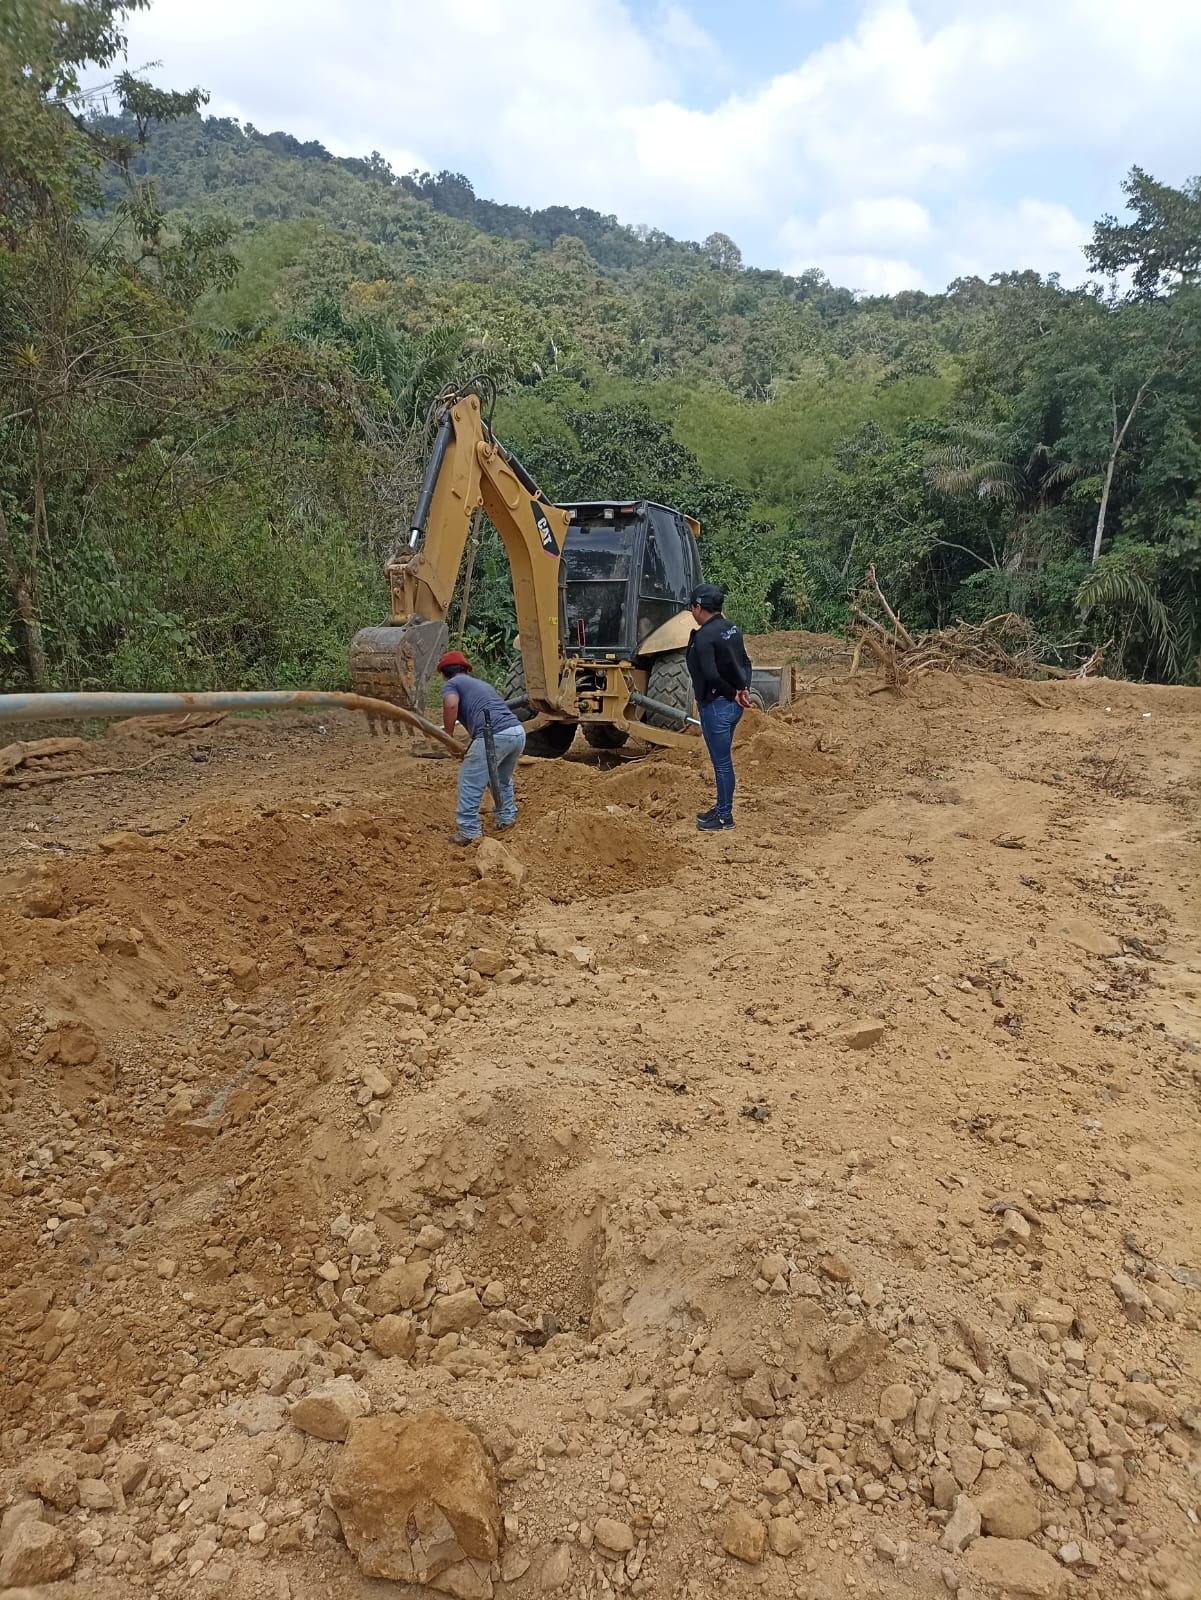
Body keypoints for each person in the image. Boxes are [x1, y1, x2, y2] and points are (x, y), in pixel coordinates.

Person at [437, 650, 527, 844]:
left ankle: (469, 831)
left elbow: (451, 705)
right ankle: (506, 818)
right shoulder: (480, 684)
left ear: (444, 674)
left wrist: (448, 737)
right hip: (517, 732)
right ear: (466, 670)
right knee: (500, 780)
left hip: (493, 734)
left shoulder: (452, 684)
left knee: (469, 780)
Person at [685, 584, 752, 832]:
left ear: (698, 607)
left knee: (722, 764)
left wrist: (732, 693)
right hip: (733, 706)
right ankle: (721, 807)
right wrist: (743, 689)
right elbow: (746, 662)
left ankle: (724, 816)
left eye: (692, 608)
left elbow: (711, 675)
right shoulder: (731, 628)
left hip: (716, 706)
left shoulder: (704, 636)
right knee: (722, 762)